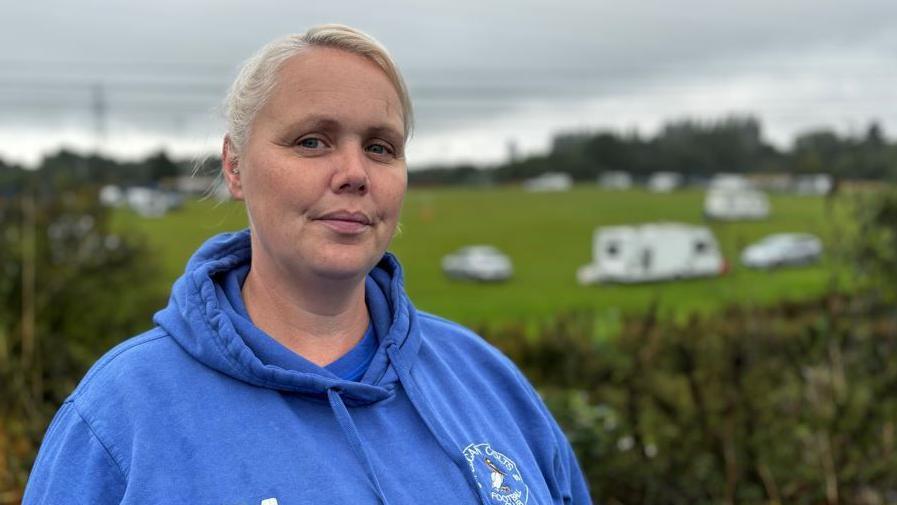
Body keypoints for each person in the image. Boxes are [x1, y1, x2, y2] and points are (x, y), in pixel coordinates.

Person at [23, 24, 590, 505]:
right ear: (235, 165)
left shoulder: (487, 382)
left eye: (380, 147)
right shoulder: (121, 416)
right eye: (313, 142)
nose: (354, 172)